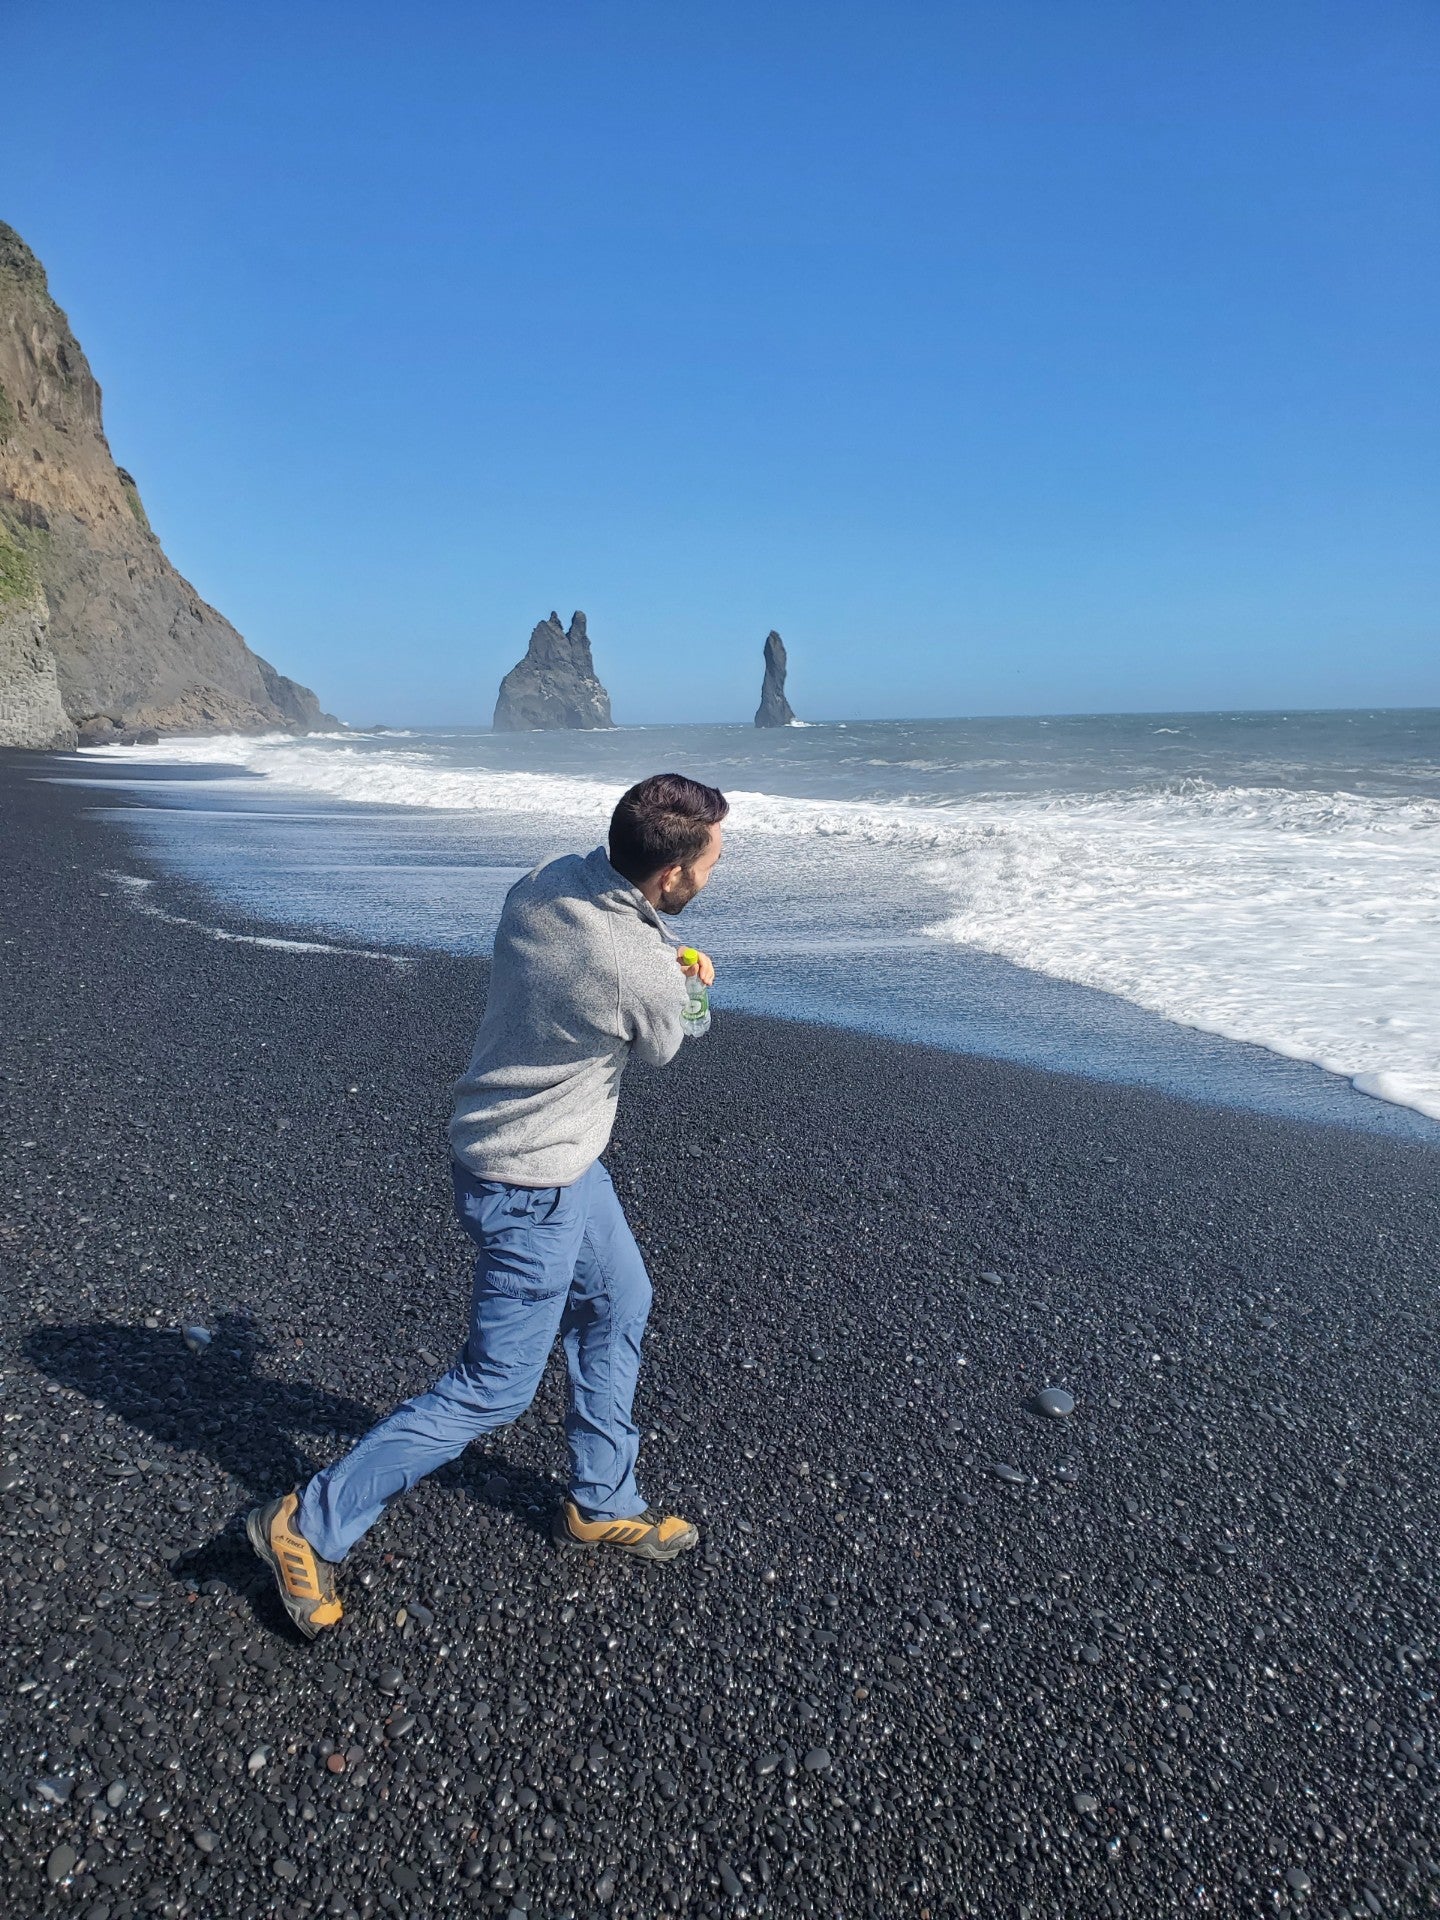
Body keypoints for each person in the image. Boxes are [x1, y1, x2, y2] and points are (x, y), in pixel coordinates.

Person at [247, 772, 727, 1637]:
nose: (716, 872)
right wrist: (693, 979)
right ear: (672, 875)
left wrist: (665, 957)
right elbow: (672, 1038)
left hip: (546, 1158)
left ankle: (602, 1499)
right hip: (531, 1184)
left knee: (620, 1300)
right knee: (493, 1389)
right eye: (712, 862)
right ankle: (308, 1524)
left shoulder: (547, 880)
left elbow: (624, 961)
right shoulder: (635, 968)